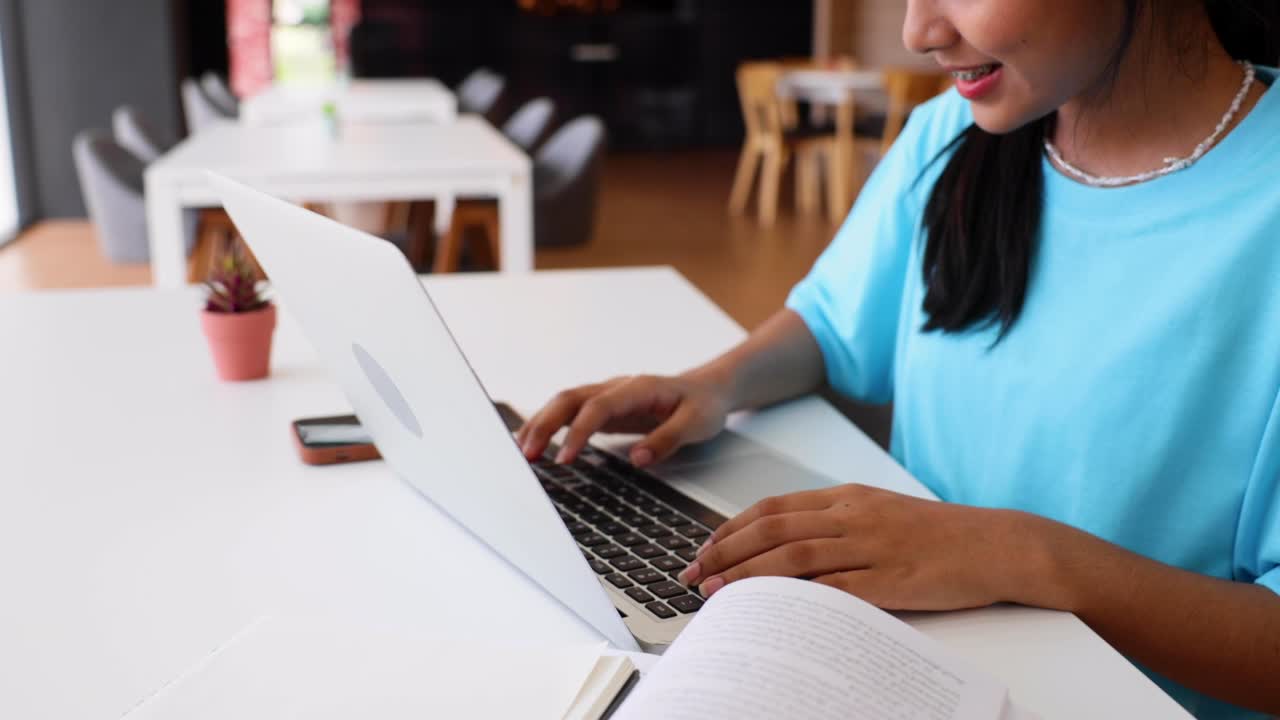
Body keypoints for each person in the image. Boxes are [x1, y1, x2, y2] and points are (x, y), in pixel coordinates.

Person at [516, 1, 1280, 718]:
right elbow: (835, 324)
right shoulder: (952, 133)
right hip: (897, 664)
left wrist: (1019, 555)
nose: (918, 31)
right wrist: (714, 384)